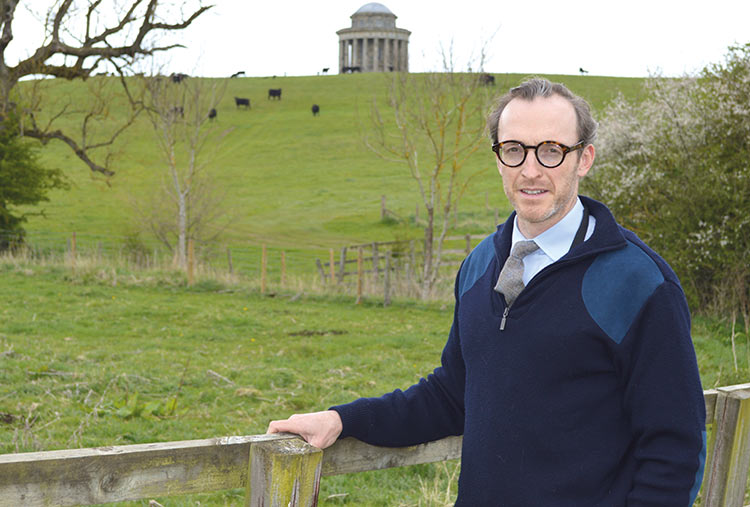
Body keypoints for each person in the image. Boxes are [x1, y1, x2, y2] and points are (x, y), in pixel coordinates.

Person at [268, 77, 706, 505]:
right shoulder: (480, 265)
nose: (530, 170)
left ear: (583, 158)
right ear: (498, 158)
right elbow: (451, 396)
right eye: (514, 150)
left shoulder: (638, 282)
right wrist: (343, 418)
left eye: (551, 151)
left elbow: (675, 446)